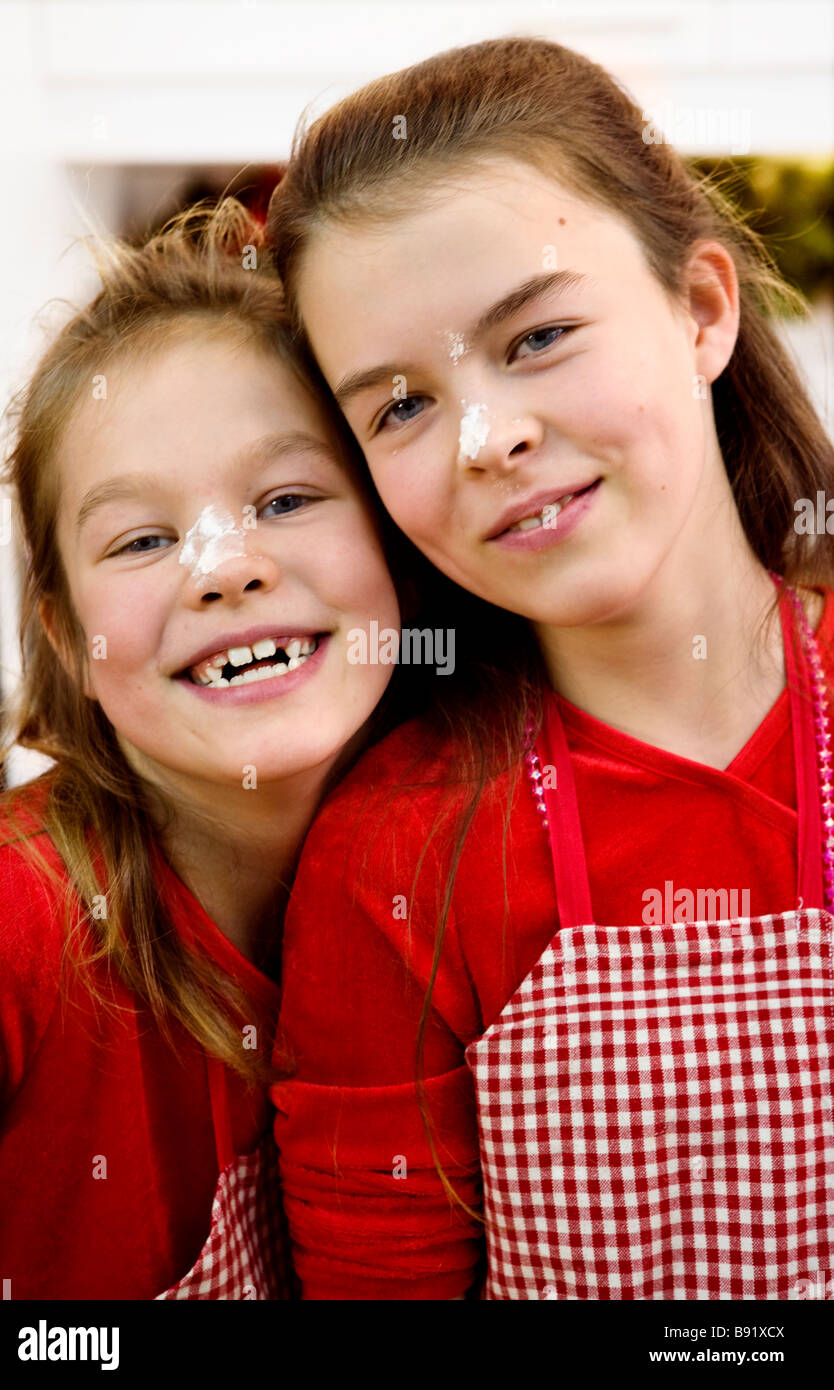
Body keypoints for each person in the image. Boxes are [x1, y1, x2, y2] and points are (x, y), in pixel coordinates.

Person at [264, 38, 834, 1299]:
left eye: (536, 337)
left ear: (701, 310)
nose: (487, 438)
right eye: (400, 405)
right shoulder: (391, 855)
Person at [0, 198, 407, 1299]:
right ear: (64, 638)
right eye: (143, 539)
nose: (223, 568)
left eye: (287, 498)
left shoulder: (459, 882)